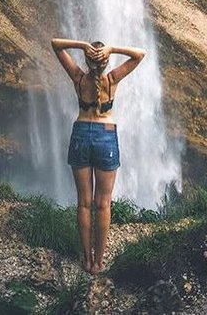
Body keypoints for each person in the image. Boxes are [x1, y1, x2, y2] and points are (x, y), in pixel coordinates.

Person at [50, 36, 146, 274]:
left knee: (84, 203)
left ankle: (86, 259)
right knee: (103, 204)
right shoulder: (112, 78)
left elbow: (55, 44)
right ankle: (98, 263)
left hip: (81, 132)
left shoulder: (78, 77)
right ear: (106, 61)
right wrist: (113, 48)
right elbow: (139, 54)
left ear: (87, 59)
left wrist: (83, 46)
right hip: (106, 135)